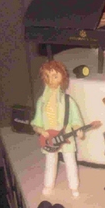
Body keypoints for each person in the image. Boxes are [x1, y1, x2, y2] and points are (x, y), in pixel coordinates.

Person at [31, 60, 85, 197]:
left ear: (62, 77)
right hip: (49, 137)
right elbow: (36, 122)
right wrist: (40, 130)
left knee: (70, 161)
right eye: (47, 76)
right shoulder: (41, 101)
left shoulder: (68, 100)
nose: (51, 80)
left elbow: (76, 120)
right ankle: (48, 185)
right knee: (50, 162)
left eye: (55, 76)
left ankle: (74, 186)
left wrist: (78, 129)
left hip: (65, 136)